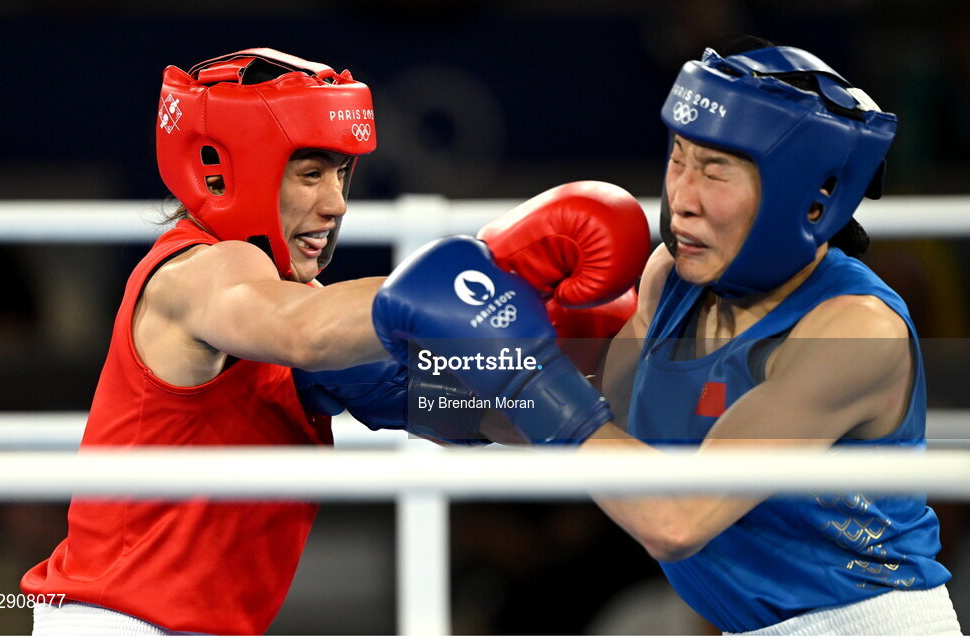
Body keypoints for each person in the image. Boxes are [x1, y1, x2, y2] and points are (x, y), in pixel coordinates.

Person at [18, 46, 651, 635]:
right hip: (109, 622)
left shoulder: (299, 316)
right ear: (220, 171)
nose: (336, 203)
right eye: (311, 173)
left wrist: (588, 361)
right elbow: (301, 331)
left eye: (341, 174)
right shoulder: (197, 274)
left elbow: (475, 409)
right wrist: (477, 274)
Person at [370, 42, 963, 634]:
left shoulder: (855, 331)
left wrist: (528, 372)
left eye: (715, 171)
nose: (682, 199)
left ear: (807, 198)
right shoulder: (674, 277)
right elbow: (608, 424)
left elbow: (676, 519)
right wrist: (418, 400)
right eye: (679, 157)